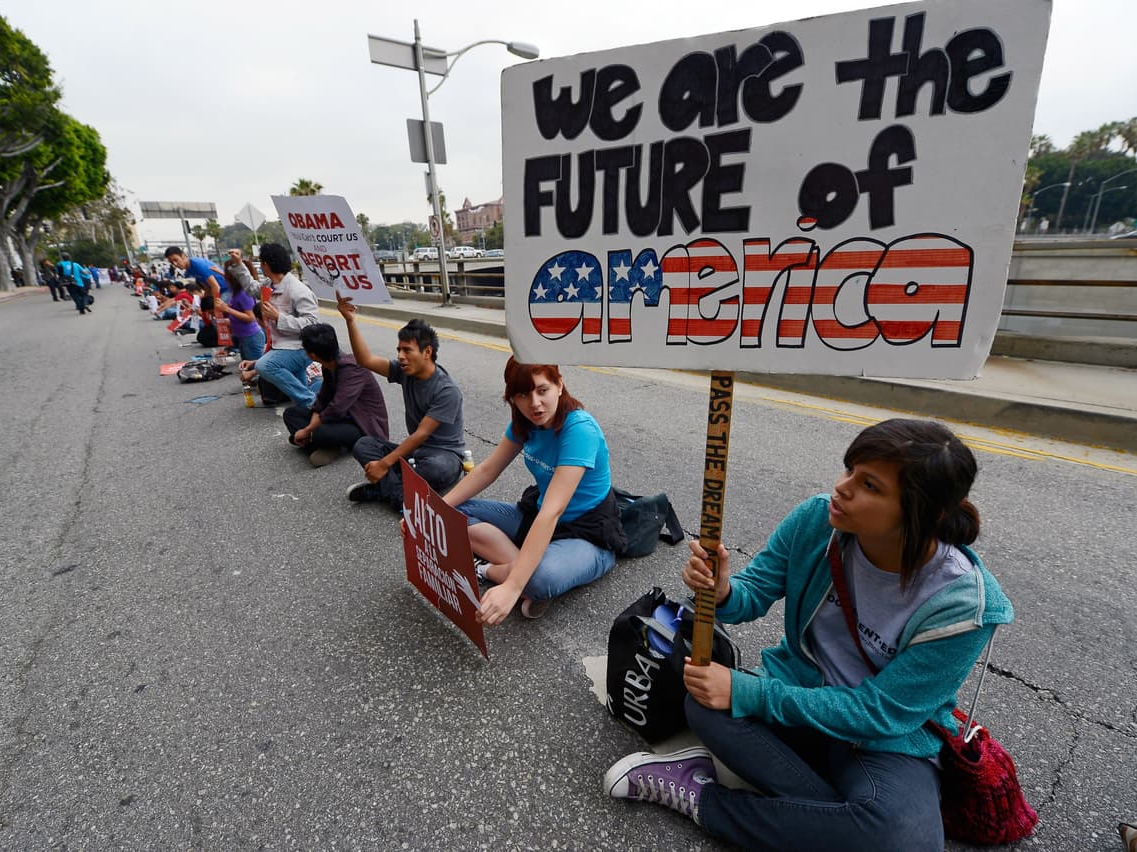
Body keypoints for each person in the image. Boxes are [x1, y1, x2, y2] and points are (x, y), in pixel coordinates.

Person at [602, 418, 1014, 852]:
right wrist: (722, 590)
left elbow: (881, 713)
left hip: (881, 741)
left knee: (904, 841)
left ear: (926, 514)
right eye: (850, 469)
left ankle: (704, 798)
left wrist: (751, 693)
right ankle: (838, 825)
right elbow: (752, 594)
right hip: (797, 700)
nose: (842, 487)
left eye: (870, 485)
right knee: (704, 705)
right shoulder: (818, 520)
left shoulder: (964, 604)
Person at [443, 358, 625, 622]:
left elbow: (554, 510)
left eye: (542, 390)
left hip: (588, 533)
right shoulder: (525, 423)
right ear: (513, 399)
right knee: (452, 512)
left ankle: (491, 570)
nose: (535, 404)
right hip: (537, 516)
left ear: (559, 385)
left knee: (540, 579)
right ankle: (525, 565)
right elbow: (486, 470)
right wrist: (428, 511)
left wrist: (511, 586)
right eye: (523, 395)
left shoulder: (579, 428)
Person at [337, 299, 465, 512]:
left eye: (407, 350)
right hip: (416, 453)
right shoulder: (404, 371)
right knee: (364, 445)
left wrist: (384, 464)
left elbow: (421, 434)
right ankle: (402, 496)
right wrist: (350, 321)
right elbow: (365, 360)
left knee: (436, 470)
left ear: (427, 352)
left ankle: (384, 490)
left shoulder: (446, 390)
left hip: (444, 456)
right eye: (399, 350)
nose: (400, 356)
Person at [283, 323, 390, 467]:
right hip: (338, 421)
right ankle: (328, 445)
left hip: (362, 426)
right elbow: (322, 399)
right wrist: (311, 424)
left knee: (320, 432)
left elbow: (336, 409)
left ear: (312, 355)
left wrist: (307, 429)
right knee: (291, 414)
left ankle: (325, 443)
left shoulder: (352, 368)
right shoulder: (329, 365)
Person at [236, 242, 319, 407]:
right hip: (282, 345)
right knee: (300, 389)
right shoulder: (268, 285)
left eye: (261, 262)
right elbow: (252, 288)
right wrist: (239, 265)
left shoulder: (298, 290)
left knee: (264, 365)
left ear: (266, 264)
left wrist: (278, 317)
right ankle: (312, 414)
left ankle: (312, 403)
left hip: (300, 347)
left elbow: (312, 324)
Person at [217, 250, 268, 362]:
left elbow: (251, 317)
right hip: (244, 337)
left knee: (254, 371)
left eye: (227, 274)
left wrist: (227, 309)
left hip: (251, 337)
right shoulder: (236, 291)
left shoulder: (244, 293)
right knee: (247, 369)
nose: (225, 278)